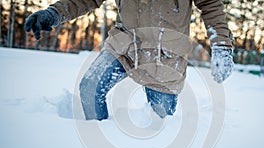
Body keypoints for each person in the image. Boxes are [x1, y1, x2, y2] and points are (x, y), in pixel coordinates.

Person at [25, 0, 234, 121]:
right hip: (125, 45)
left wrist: (222, 45)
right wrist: (54, 13)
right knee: (90, 86)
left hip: (165, 57)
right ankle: (98, 139)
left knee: (159, 122)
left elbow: (211, 6)